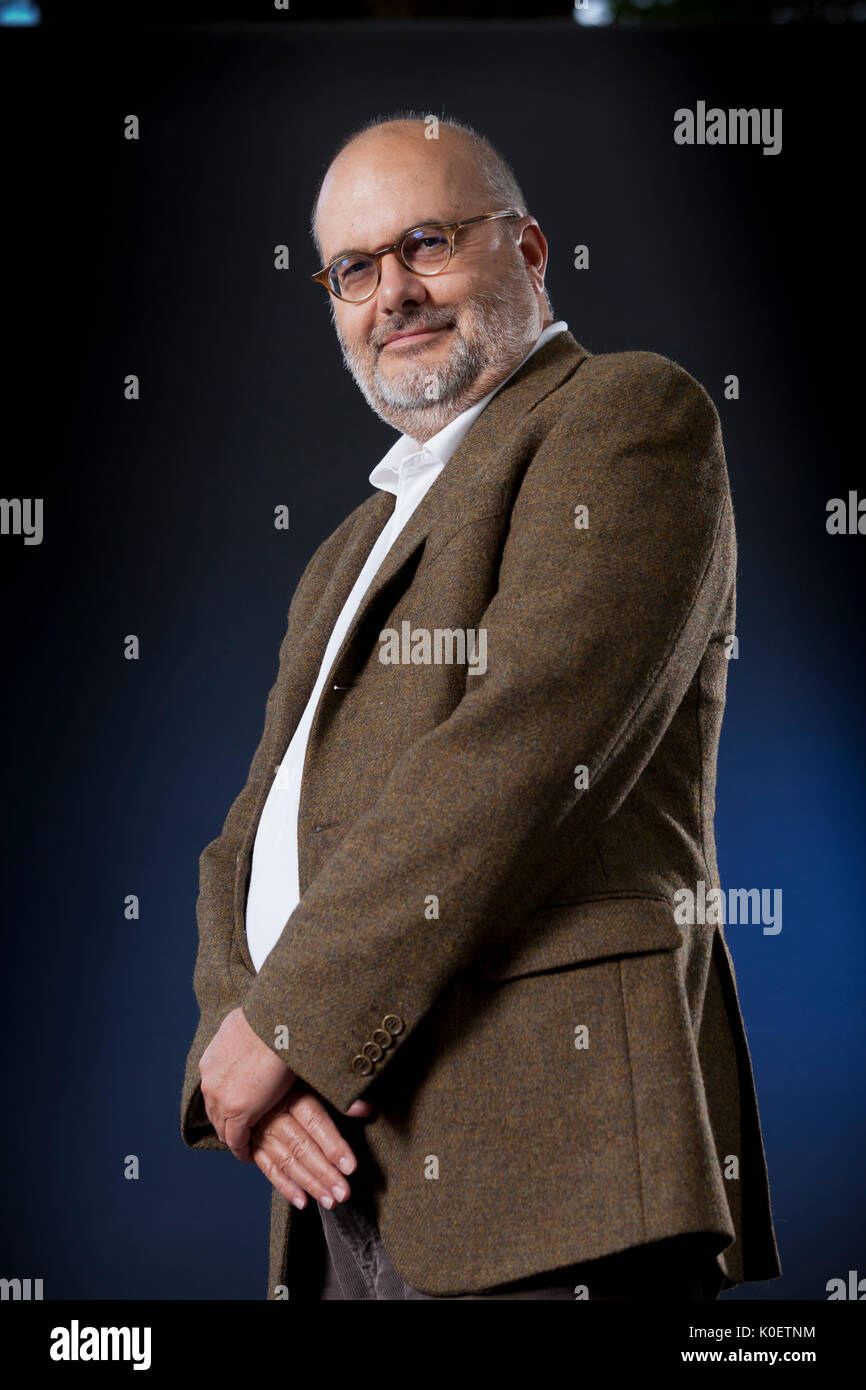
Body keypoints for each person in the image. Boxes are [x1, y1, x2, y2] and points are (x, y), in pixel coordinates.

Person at [180, 112, 781, 1301]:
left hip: (556, 1168)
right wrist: (227, 1045)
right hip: (344, 1164)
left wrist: (287, 1025)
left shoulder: (623, 416)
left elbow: (519, 754)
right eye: (354, 269)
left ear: (528, 250)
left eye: (426, 243)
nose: (391, 292)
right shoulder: (350, 545)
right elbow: (244, 836)